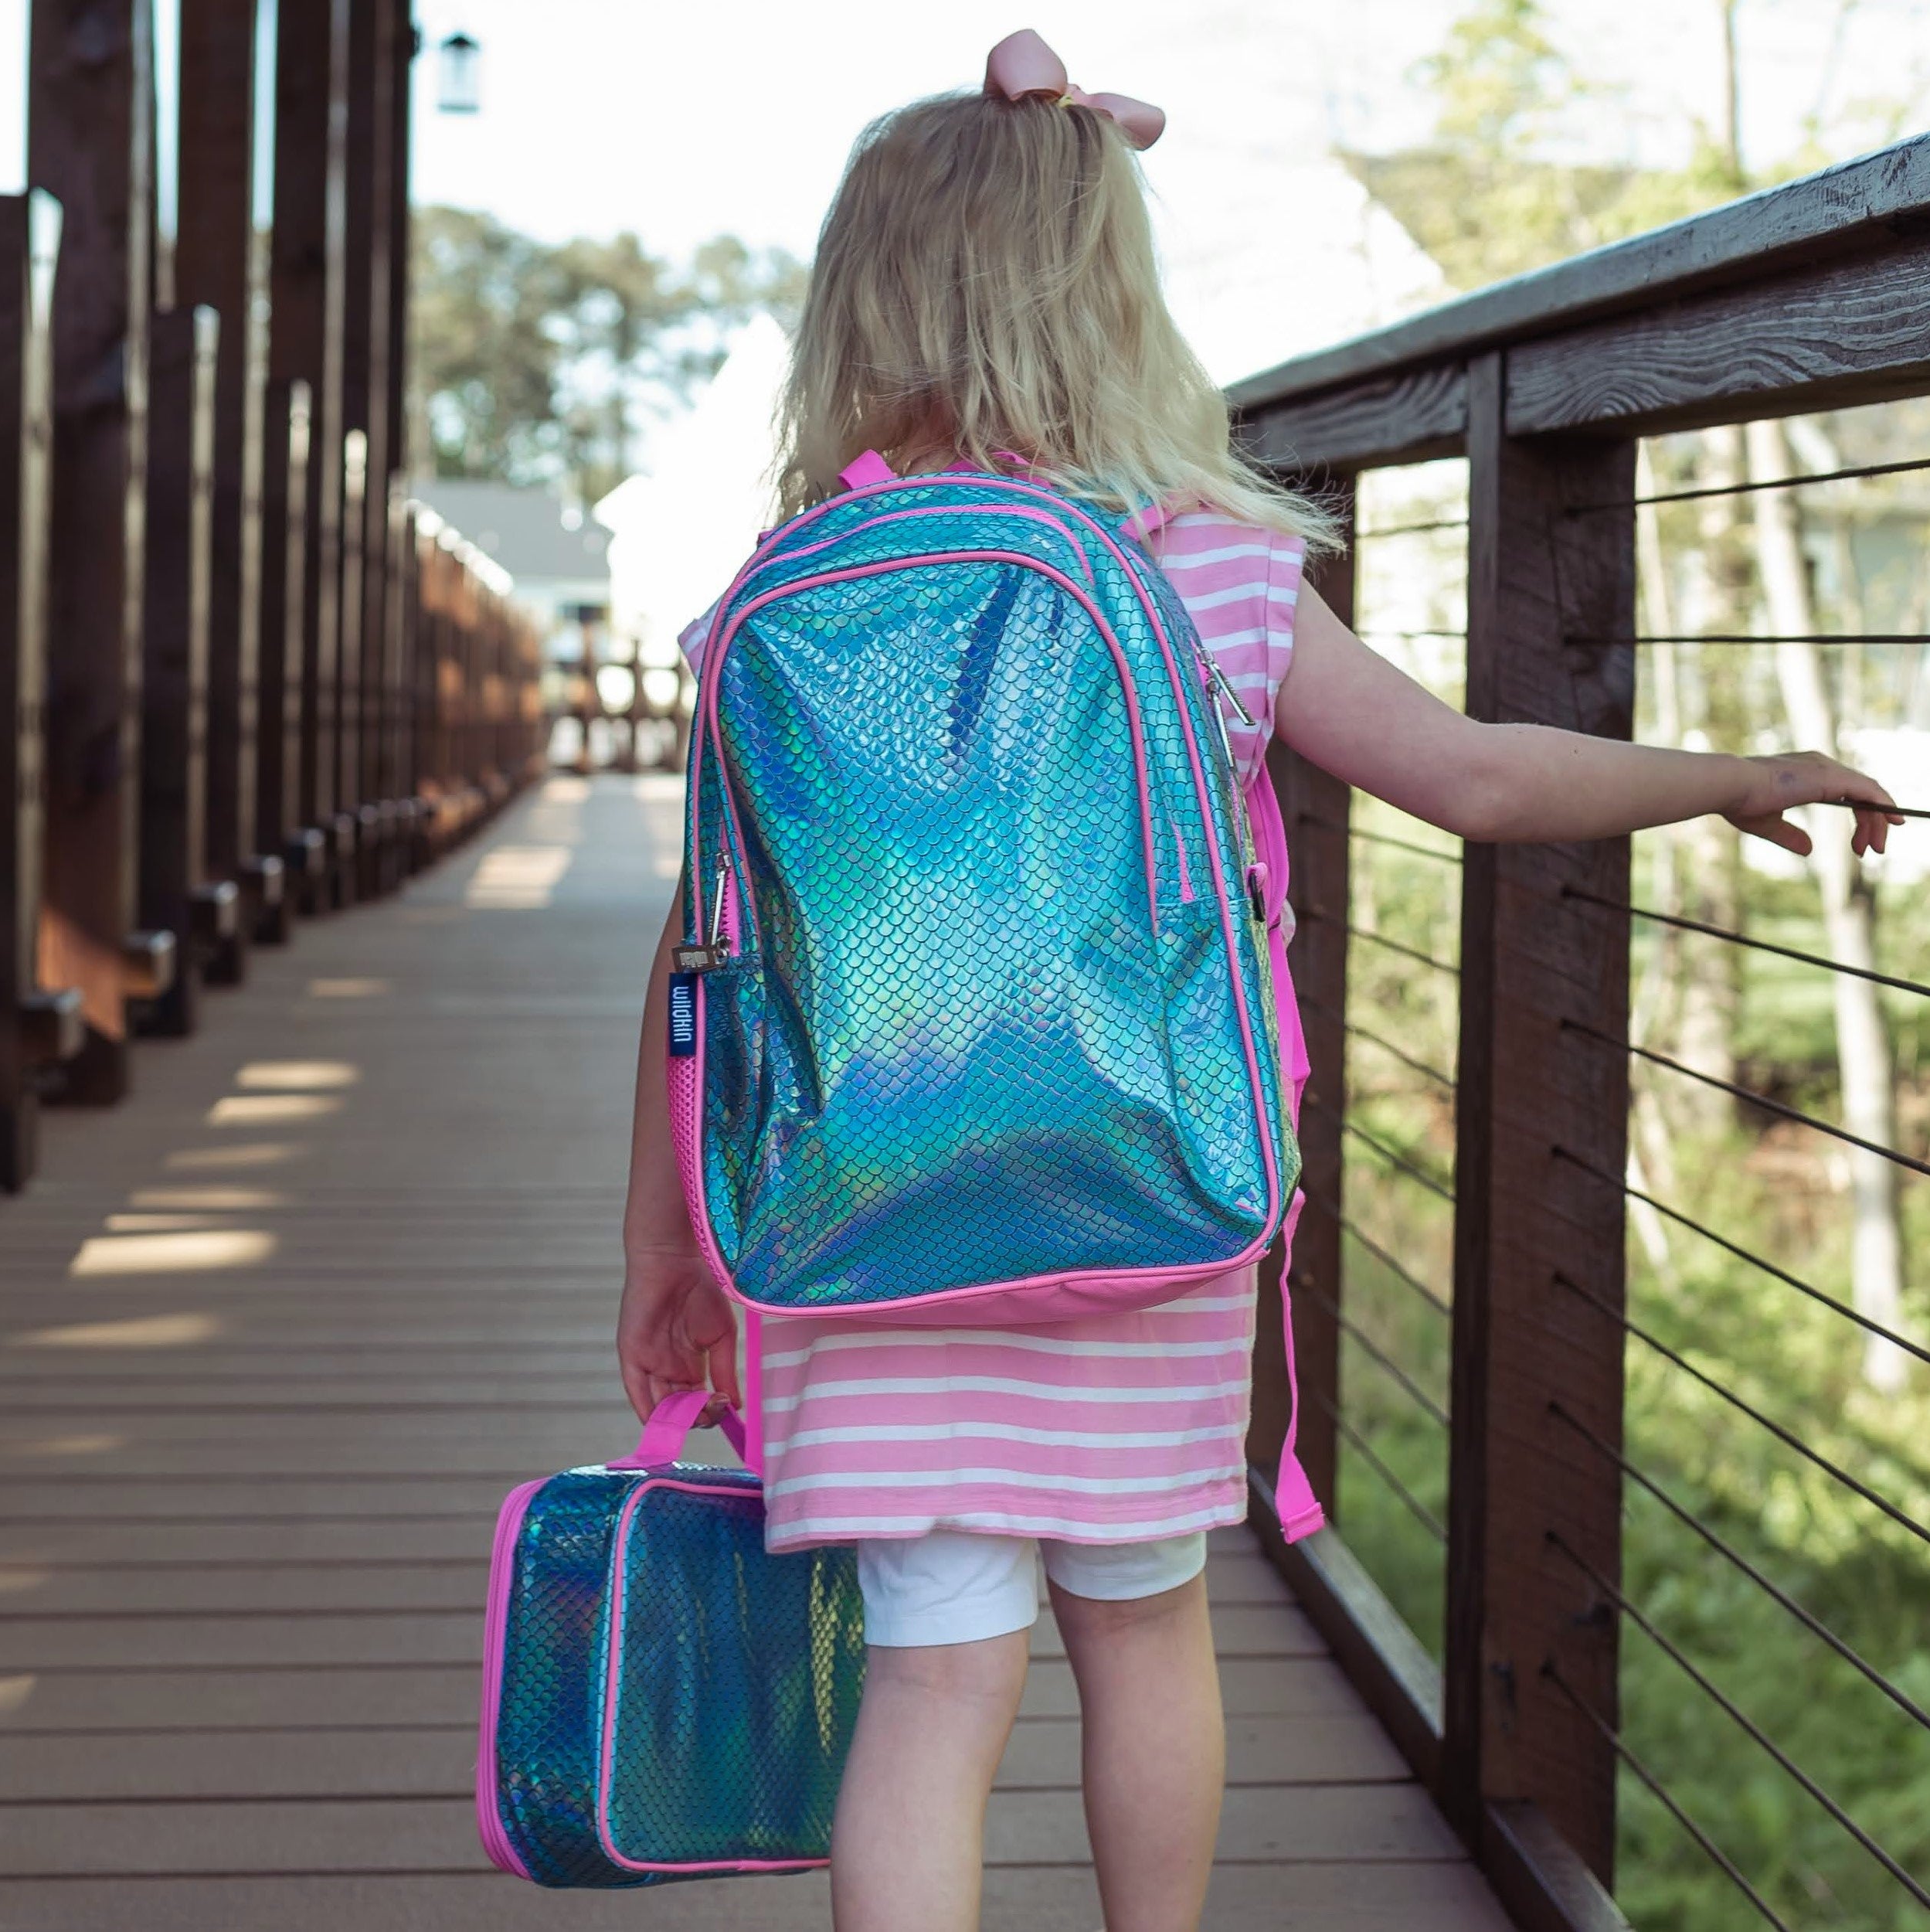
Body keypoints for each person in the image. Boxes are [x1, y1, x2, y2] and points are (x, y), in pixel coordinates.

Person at [613, 30, 1901, 1932]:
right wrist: (1728, 774)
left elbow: (695, 962)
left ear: (857, 301)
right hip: (1148, 1199)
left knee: (929, 1680)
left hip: (845, 1230)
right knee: (1145, 1639)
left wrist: (665, 1246)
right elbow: (1468, 773)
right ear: (1112, 299)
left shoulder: (770, 596)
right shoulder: (1205, 566)